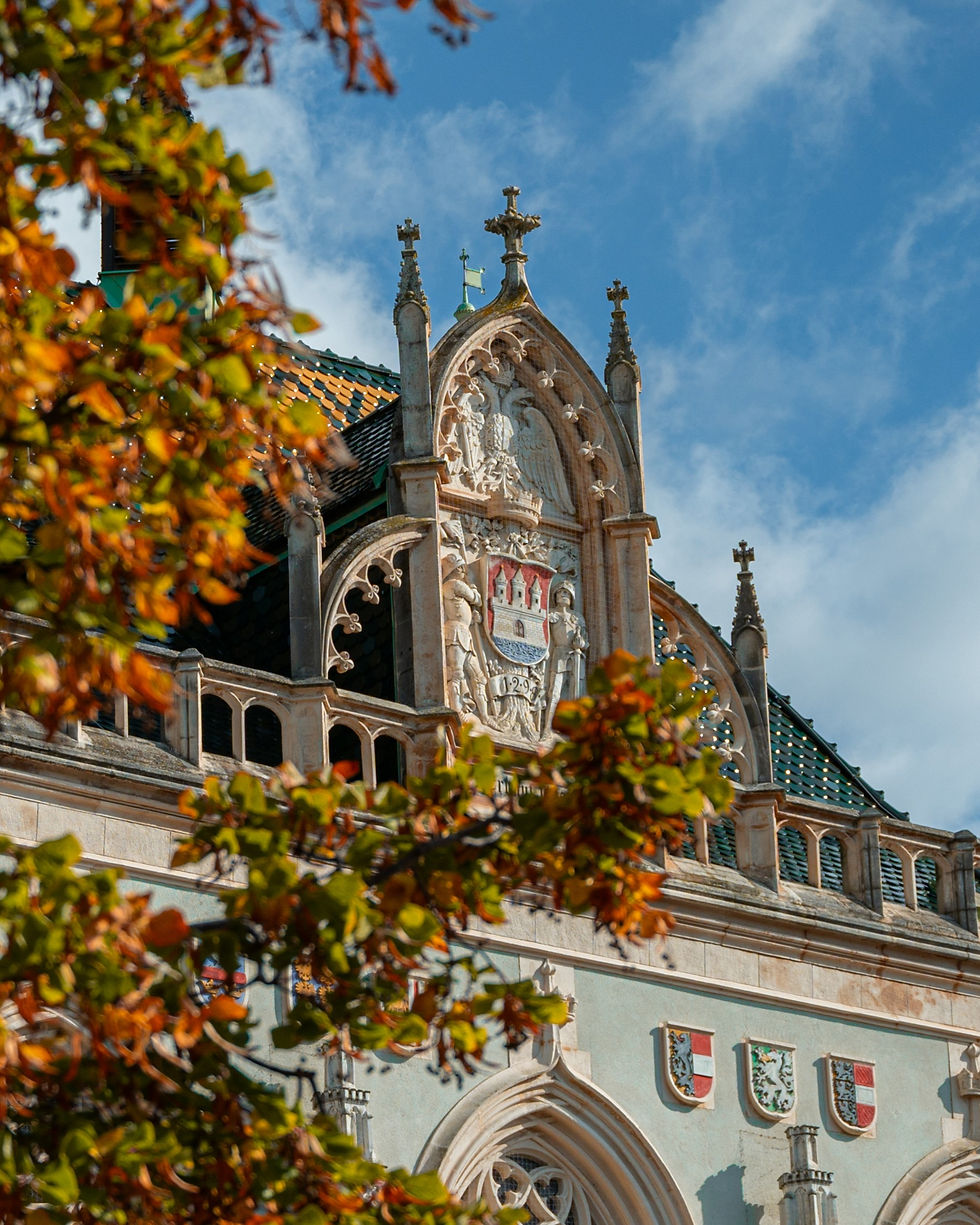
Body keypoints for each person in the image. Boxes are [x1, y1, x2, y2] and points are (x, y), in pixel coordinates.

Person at [441, 552, 491, 724]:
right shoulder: (453, 584)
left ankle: (485, 717)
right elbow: (476, 599)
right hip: (454, 632)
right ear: (457, 569)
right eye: (462, 567)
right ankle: (456, 711)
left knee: (479, 678)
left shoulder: (456, 585)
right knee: (456, 673)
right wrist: (475, 590)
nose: (464, 570)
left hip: (465, 634)